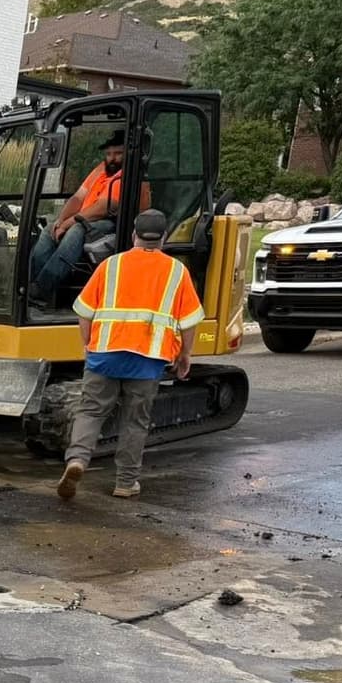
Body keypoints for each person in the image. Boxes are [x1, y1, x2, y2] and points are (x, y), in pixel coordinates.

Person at [56, 209, 204, 502]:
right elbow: (188, 322)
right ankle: (125, 483)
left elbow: (84, 312)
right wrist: (185, 354)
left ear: (134, 234)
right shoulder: (177, 272)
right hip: (148, 360)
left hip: (105, 354)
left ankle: (77, 460)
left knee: (90, 410)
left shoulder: (110, 266)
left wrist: (88, 345)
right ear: (163, 238)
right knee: (135, 421)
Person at [29, 129, 150, 304]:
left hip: (111, 222)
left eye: (118, 153)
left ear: (128, 153)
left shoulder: (127, 174)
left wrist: (68, 223)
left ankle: (43, 288)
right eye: (108, 154)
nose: (112, 158)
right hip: (84, 218)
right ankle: (37, 287)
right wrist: (60, 220)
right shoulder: (100, 170)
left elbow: (102, 208)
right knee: (48, 229)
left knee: (77, 230)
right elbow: (78, 197)